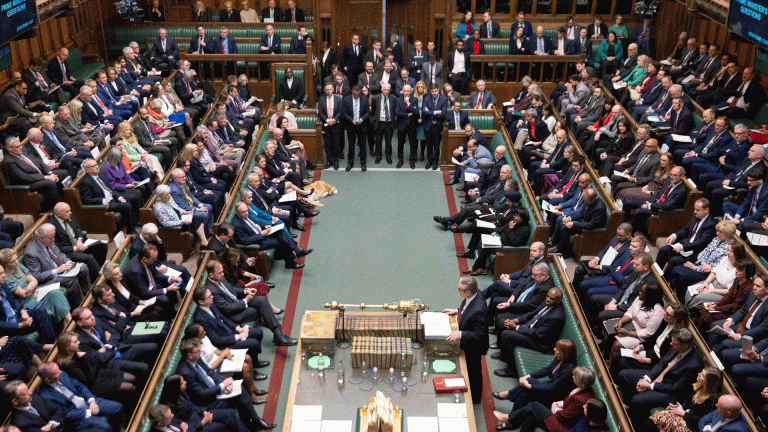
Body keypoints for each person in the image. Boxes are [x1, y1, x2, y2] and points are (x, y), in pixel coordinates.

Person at [175, 338, 275, 430]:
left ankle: (251, 423)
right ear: (189, 355)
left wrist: (224, 385)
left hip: (213, 390)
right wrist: (222, 386)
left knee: (239, 390)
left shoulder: (196, 357)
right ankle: (255, 423)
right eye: (198, 351)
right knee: (239, 397)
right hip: (206, 402)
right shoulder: (185, 372)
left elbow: (210, 372)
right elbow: (201, 393)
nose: (201, 353)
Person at [618, 329, 703, 425]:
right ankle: (630, 407)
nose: (671, 344)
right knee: (623, 375)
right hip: (660, 376)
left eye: (674, 343)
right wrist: (647, 379)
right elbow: (661, 364)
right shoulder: (676, 346)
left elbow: (675, 388)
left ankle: (633, 423)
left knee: (636, 400)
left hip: (670, 392)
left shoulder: (694, 364)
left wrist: (650, 386)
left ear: (685, 346)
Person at [205, 260, 296, 346]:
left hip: (238, 302)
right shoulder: (211, 290)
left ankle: (278, 335)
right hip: (233, 314)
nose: (223, 274)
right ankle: (279, 336)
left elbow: (232, 289)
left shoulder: (220, 278)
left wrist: (245, 291)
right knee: (259, 310)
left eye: (222, 271)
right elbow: (227, 308)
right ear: (211, 275)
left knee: (262, 300)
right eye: (220, 273)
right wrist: (245, 301)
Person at [493, 366, 596, 432]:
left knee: (534, 406)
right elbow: (566, 401)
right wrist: (557, 403)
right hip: (560, 411)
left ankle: (508, 417)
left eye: (575, 377)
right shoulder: (582, 387)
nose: (572, 377)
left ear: (582, 383)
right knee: (531, 412)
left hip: (562, 425)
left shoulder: (582, 399)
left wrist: (554, 408)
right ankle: (511, 422)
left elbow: (565, 416)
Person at [495, 287, 566, 378]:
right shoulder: (547, 302)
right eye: (547, 296)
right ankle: (503, 355)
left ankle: (512, 370)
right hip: (531, 327)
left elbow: (538, 334)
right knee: (504, 322)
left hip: (540, 342)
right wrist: (516, 320)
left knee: (507, 335)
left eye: (551, 298)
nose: (548, 299)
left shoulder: (557, 316)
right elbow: (533, 313)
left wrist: (517, 327)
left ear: (559, 301)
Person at [38, 362, 124, 432]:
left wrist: (92, 401)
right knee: (105, 427)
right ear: (47, 380)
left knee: (118, 407)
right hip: (78, 416)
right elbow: (65, 414)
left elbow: (80, 386)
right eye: (56, 372)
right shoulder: (45, 396)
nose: (60, 372)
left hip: (87, 402)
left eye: (59, 369)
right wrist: (88, 412)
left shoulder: (62, 374)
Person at [492, 339, 577, 410]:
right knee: (527, 383)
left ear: (564, 354)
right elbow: (547, 370)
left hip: (554, 397)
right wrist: (527, 376)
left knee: (526, 391)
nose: (554, 349)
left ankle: (509, 401)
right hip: (548, 386)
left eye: (557, 349)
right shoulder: (559, 359)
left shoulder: (568, 372)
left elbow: (551, 389)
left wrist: (528, 386)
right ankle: (512, 415)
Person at [612, 302, 689, 378]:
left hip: (656, 361)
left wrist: (646, 360)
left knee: (623, 362)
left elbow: (665, 359)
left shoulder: (676, 336)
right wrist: (640, 347)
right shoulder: (666, 321)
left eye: (667, 314)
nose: (664, 314)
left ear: (676, 319)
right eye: (665, 311)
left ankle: (616, 384)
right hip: (651, 351)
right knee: (621, 356)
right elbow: (654, 337)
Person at [442, 276, 487, 404]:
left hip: (474, 346)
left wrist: (460, 334)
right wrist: (457, 311)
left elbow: (480, 335)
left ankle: (475, 398)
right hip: (469, 338)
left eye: (460, 289)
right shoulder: (473, 295)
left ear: (468, 292)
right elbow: (467, 309)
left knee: (473, 372)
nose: (458, 290)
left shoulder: (479, 310)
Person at [54, 331, 136, 400]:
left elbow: (96, 362)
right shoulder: (67, 364)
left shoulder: (77, 350)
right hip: (93, 386)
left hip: (99, 374)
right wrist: (85, 358)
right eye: (75, 342)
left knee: (132, 377)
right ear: (67, 347)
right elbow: (89, 380)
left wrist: (91, 364)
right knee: (129, 386)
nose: (79, 342)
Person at [154, 375, 252, 432]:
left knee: (229, 413)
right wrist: (203, 422)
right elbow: (182, 426)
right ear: (175, 387)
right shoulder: (169, 408)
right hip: (194, 425)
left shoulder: (182, 392)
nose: (185, 382)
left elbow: (192, 405)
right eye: (182, 382)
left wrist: (204, 412)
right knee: (220, 426)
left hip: (199, 414)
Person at [665, 220, 736, 297]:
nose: (717, 233)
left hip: (708, 274)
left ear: (727, 234)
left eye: (720, 232)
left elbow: (714, 268)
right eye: (717, 231)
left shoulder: (729, 248)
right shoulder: (716, 239)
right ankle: (670, 294)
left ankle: (677, 297)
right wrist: (702, 263)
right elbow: (703, 253)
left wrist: (696, 267)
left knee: (679, 273)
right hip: (701, 265)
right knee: (676, 269)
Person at [0, 248, 70, 326]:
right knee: (55, 296)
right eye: (12, 262)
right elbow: (23, 294)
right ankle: (69, 323)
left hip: (36, 292)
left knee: (56, 293)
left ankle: (69, 322)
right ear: (4, 263)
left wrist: (31, 284)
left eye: (16, 259)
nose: (16, 262)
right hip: (27, 302)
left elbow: (34, 281)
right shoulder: (5, 277)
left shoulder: (18, 265)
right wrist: (31, 286)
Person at [423, 84, 447, 170]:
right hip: (428, 125)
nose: (434, 93)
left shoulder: (443, 99)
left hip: (437, 126)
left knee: (436, 145)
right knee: (429, 145)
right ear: (430, 91)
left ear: (438, 90)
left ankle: (435, 162)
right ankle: (429, 161)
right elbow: (423, 112)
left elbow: (443, 114)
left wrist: (430, 112)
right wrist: (436, 112)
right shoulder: (426, 99)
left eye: (435, 91)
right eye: (432, 91)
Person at [319, 84, 343, 170]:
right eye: (327, 90)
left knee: (336, 143)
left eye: (330, 90)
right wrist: (327, 120)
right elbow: (320, 113)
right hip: (326, 125)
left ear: (333, 90)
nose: (329, 92)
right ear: (325, 91)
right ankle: (329, 160)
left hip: (336, 124)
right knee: (327, 144)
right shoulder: (321, 99)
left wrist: (334, 119)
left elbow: (340, 112)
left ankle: (336, 161)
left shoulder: (338, 99)